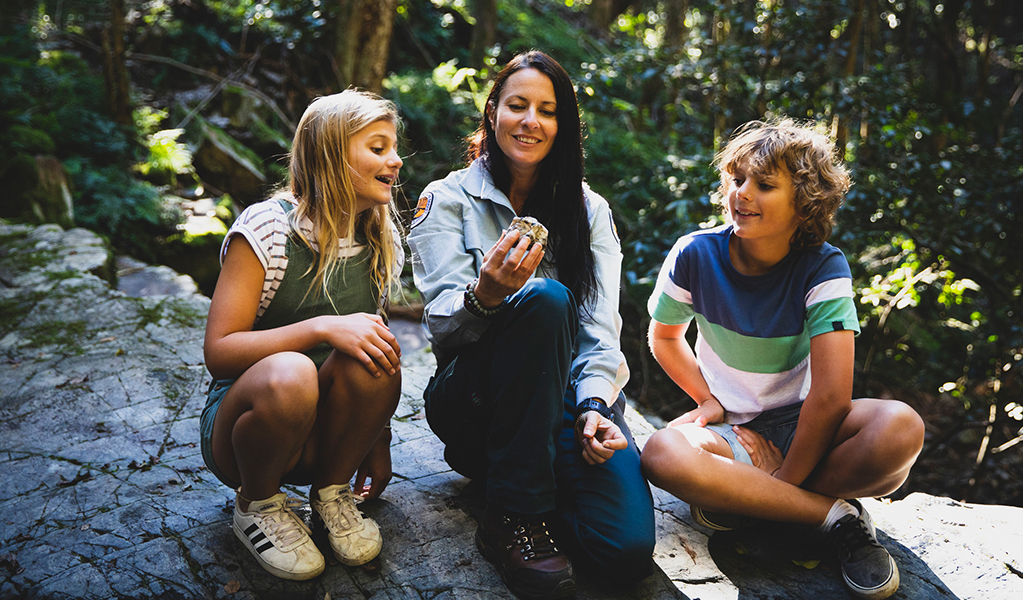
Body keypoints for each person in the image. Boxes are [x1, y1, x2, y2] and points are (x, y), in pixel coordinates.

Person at [642, 119, 925, 600]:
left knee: (901, 429)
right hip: (733, 433)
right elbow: (664, 337)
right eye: (737, 179)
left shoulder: (823, 266)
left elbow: (832, 395)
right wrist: (708, 401)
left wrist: (783, 476)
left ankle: (750, 502)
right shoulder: (695, 253)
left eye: (765, 184)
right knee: (663, 453)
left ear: (805, 203)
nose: (742, 193)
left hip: (808, 427)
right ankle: (836, 518)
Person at [407, 51, 655, 599]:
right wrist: (485, 296)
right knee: (544, 298)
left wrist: (594, 406)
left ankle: (505, 472)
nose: (530, 121)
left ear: (562, 125)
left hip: (564, 400)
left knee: (625, 549)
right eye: (517, 105)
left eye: (547, 110)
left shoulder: (589, 211)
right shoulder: (446, 199)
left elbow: (599, 330)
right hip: (474, 395)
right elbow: (442, 330)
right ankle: (515, 515)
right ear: (492, 111)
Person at [200, 90, 405, 580]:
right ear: (331, 156)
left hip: (323, 442)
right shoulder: (267, 229)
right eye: (377, 148)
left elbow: (369, 342)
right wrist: (319, 327)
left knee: (377, 354)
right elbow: (219, 352)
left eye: (394, 147)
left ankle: (330, 495)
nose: (396, 160)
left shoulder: (376, 234)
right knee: (293, 372)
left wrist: (377, 439)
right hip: (248, 434)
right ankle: (259, 505)